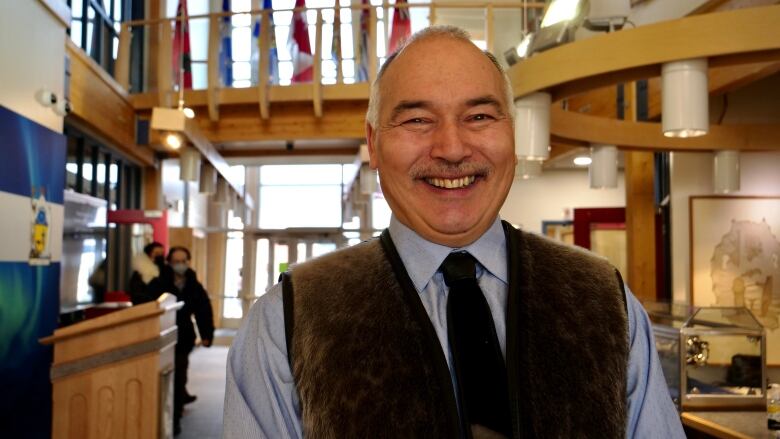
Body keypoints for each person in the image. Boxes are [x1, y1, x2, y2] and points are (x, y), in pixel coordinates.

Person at [224, 26, 684, 438]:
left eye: (480, 117)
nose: (451, 148)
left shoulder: (608, 305)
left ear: (513, 136)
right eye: (417, 120)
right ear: (374, 144)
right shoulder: (286, 322)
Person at [160, 246, 215, 435]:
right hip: (160, 339)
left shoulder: (193, 283)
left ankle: (174, 421)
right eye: (176, 261)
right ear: (169, 262)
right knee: (165, 381)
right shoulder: (159, 281)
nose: (180, 265)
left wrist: (206, 334)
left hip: (182, 338)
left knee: (179, 377)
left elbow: (203, 309)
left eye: (184, 261)